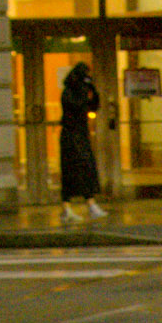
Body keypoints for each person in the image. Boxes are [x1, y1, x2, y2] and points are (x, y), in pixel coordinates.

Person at [58, 62, 106, 220]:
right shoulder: (69, 92)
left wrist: (93, 90)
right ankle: (67, 207)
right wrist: (84, 91)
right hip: (70, 137)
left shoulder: (82, 91)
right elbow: (76, 106)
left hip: (81, 135)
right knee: (72, 171)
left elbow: (93, 106)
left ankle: (90, 204)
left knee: (86, 169)